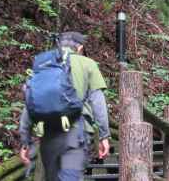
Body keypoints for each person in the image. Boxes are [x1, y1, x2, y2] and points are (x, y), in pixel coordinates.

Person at [19, 32, 110, 181]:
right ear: (80, 47)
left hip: (48, 134)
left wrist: (25, 141)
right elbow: (98, 102)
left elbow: (30, 103)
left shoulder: (44, 65)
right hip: (76, 134)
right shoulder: (88, 64)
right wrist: (104, 136)